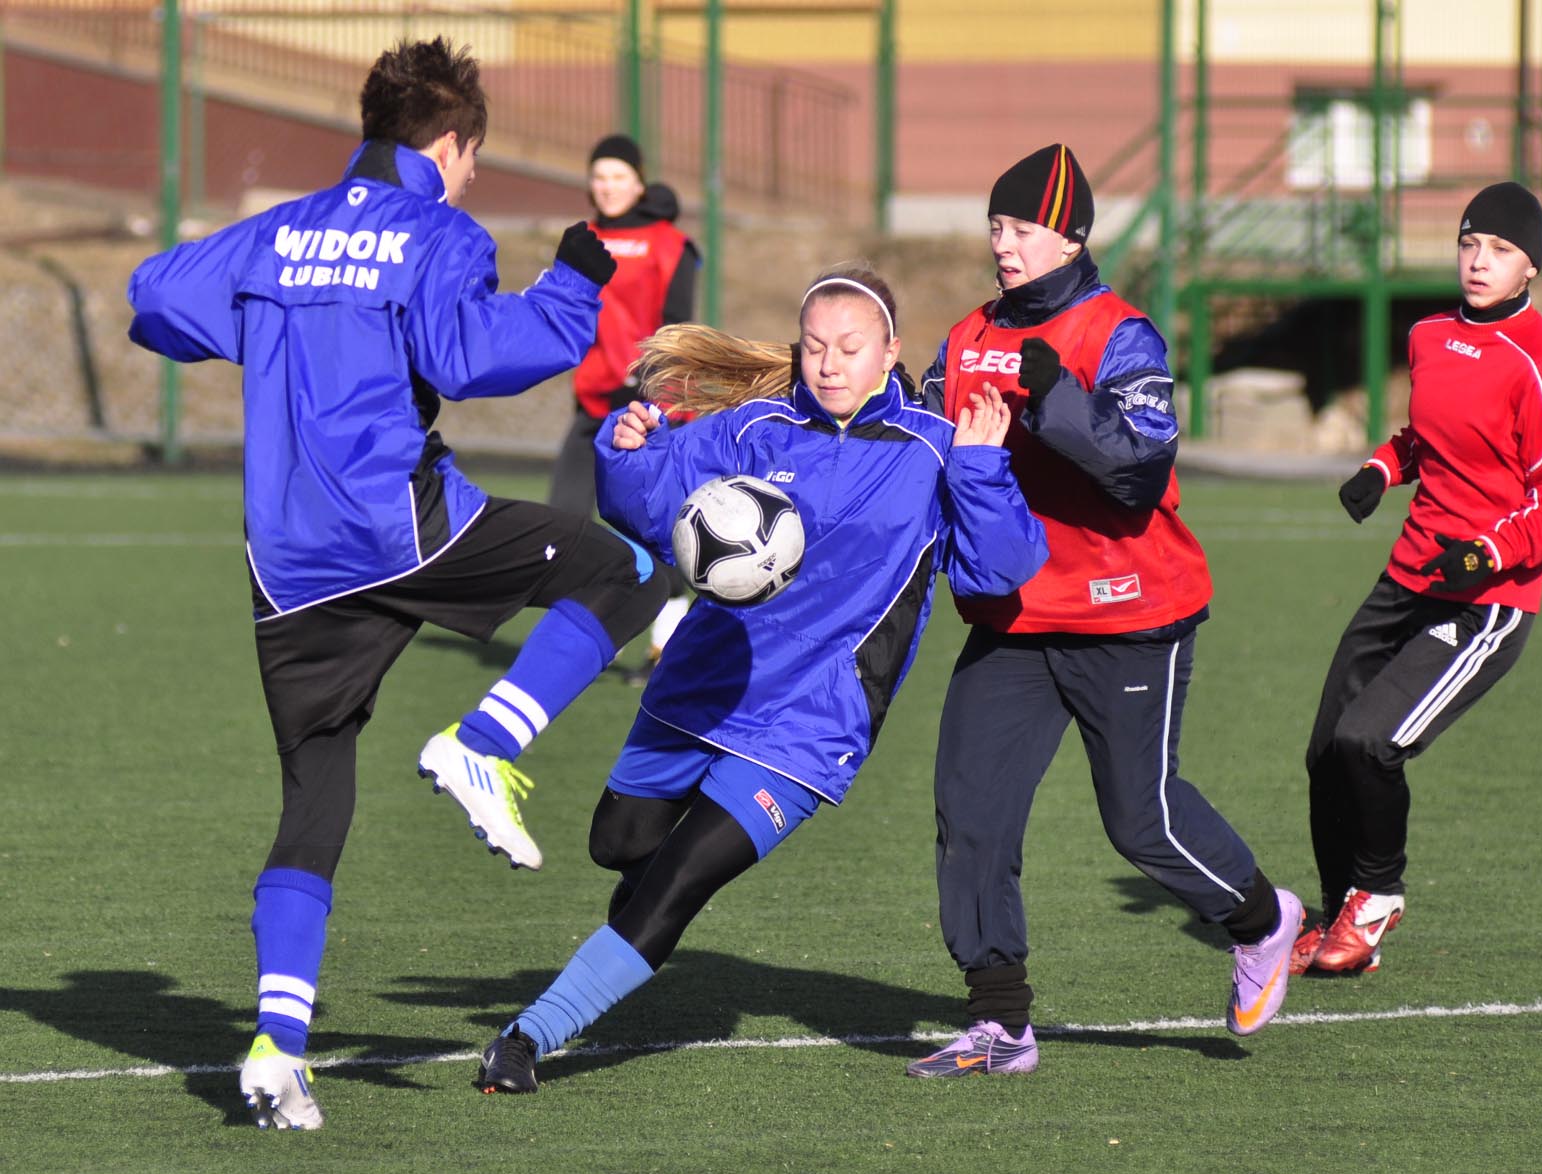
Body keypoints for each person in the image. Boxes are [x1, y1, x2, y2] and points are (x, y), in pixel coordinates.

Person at [126, 37, 668, 1131]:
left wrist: (274, 324)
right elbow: (474, 357)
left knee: (313, 794)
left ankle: (279, 1045)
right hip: (394, 523)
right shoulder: (435, 229)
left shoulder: (280, 230)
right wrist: (574, 281)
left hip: (287, 563)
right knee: (618, 568)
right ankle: (486, 742)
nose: (470, 175)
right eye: (472, 157)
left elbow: (155, 296)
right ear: (450, 141)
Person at [474, 265, 1049, 1093]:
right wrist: (624, 449)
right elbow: (641, 510)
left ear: (890, 351)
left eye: (850, 347)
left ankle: (527, 1039)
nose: (828, 364)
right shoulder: (752, 428)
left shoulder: (932, 452)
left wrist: (984, 466)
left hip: (810, 726)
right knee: (620, 843)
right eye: (814, 346)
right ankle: (629, 937)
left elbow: (1000, 572)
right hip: (701, 685)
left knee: (679, 882)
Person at [908, 144, 1303, 1078]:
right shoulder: (965, 338)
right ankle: (1001, 1021)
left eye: (1025, 229)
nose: (1005, 245)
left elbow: (1138, 471)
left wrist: (1054, 397)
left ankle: (1263, 918)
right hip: (1014, 617)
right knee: (971, 812)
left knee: (1141, 820)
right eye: (997, 227)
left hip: (1132, 612)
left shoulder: (1122, 335)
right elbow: (920, 445)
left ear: (1073, 234)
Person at [1291, 181, 1542, 976]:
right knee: (1326, 748)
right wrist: (1381, 468)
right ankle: (1338, 911)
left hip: (1486, 599)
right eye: (1469, 244)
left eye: (1500, 250)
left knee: (1371, 739)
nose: (1479, 260)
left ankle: (1378, 895)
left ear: (1530, 268)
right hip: (1410, 573)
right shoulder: (1428, 336)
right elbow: (1427, 437)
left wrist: (1488, 552)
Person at [549, 133, 700, 682]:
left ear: (639, 182)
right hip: (592, 404)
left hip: (647, 409)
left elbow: (678, 325)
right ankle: (588, 637)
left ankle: (667, 647)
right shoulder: (583, 240)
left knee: (655, 529)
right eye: (599, 177)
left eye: (618, 176)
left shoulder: (669, 243)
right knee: (563, 519)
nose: (607, 187)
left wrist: (652, 383)